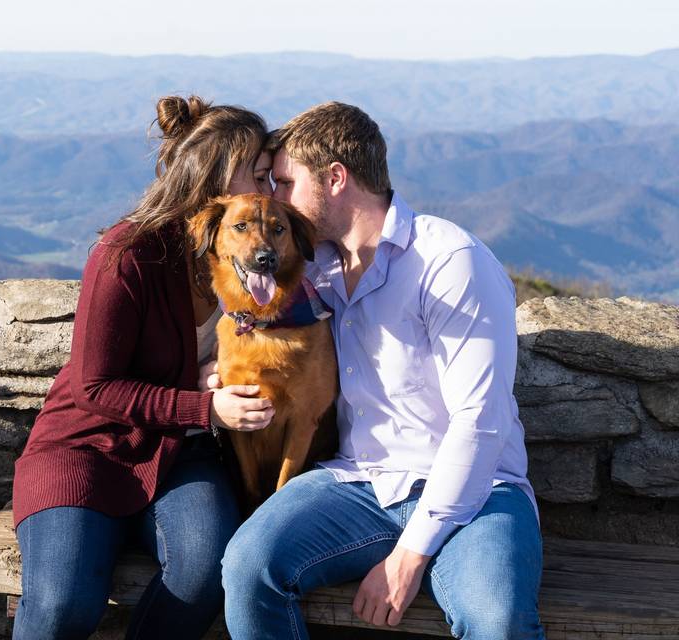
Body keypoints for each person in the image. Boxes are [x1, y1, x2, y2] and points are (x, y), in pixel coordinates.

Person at [218, 102, 545, 639]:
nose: (273, 199)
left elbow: (479, 423)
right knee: (247, 567)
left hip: (479, 490)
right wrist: (216, 372)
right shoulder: (315, 268)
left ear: (336, 179)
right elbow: (244, 319)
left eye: (284, 181)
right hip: (357, 481)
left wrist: (408, 557)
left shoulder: (449, 261)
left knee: (497, 620)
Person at [11, 95, 276, 640]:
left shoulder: (249, 260)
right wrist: (206, 408)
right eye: (260, 175)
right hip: (88, 445)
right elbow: (93, 386)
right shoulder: (126, 254)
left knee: (205, 575)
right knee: (64, 605)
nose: (271, 192)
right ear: (216, 177)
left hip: (181, 453)